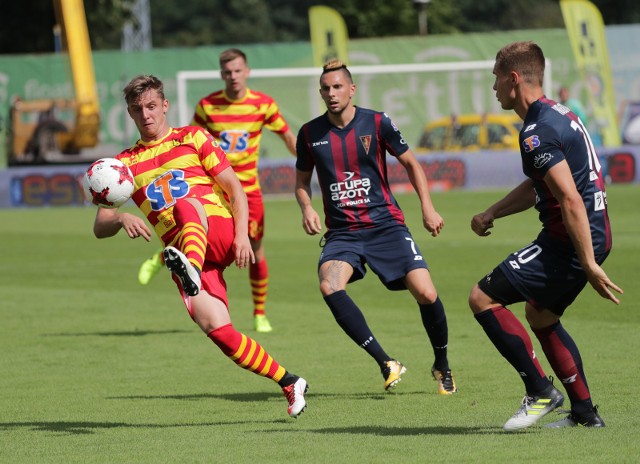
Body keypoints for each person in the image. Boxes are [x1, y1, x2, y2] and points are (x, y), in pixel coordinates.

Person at [92, 74, 307, 418]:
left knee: (186, 205)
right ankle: (289, 381)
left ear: (165, 106)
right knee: (218, 330)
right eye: (137, 109)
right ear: (130, 114)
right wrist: (119, 219)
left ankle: (189, 265)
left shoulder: (193, 137)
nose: (146, 114)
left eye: (151, 106)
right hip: (184, 252)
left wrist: (241, 236)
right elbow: (99, 226)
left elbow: (235, 189)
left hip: (217, 230)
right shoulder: (124, 164)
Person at [469, 41, 623, 431]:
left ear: (514, 79)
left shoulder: (536, 131)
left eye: (496, 80)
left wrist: (586, 262)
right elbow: (545, 184)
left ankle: (539, 391)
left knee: (483, 297)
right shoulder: (557, 114)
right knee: (541, 314)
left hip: (571, 239)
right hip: (588, 232)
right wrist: (493, 212)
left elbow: (569, 199)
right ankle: (586, 415)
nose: (494, 89)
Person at [295, 59, 457, 395]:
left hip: (386, 226)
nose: (331, 93)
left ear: (352, 89)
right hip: (343, 234)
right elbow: (300, 181)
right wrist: (307, 206)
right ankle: (386, 362)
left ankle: (442, 364)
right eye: (325, 88)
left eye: (338, 86)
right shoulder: (309, 133)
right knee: (329, 285)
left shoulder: (377, 122)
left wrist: (427, 206)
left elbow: (411, 163)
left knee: (426, 293)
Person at [138, 48, 297, 334]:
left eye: (237, 71)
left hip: (246, 190)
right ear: (221, 74)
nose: (233, 76)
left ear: (247, 71)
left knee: (254, 251)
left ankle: (259, 312)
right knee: (188, 227)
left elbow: (286, 135)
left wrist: (309, 165)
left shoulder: (263, 104)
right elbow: (184, 141)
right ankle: (167, 257)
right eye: (227, 72)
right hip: (212, 188)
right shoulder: (208, 106)